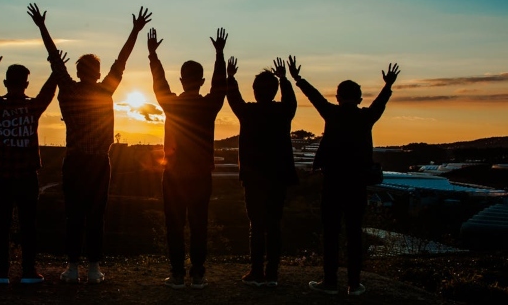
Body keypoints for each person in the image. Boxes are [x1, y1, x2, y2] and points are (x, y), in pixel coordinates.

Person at [28, 3, 152, 284]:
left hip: (74, 161)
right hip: (98, 162)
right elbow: (122, 60)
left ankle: (72, 268)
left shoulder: (68, 90)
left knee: (74, 215)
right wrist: (134, 30)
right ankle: (94, 268)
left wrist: (42, 27)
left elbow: (53, 58)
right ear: (96, 72)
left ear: (78, 70)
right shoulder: (105, 89)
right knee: (96, 216)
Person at [290, 57, 400, 296]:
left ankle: (330, 281)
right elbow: (380, 103)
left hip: (333, 181)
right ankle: (354, 283)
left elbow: (314, 96)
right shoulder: (366, 117)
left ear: (338, 97)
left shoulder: (332, 113)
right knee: (354, 232)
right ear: (359, 98)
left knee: (330, 232)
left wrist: (298, 79)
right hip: (357, 182)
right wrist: (388, 85)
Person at [147, 27, 228, 289]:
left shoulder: (172, 104)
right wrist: (219, 54)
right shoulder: (209, 105)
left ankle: (178, 274)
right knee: (198, 224)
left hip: (173, 174)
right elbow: (220, 86)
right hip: (201, 175)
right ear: (201, 80)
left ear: (181, 80)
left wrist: (153, 56)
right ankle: (198, 275)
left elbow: (159, 84)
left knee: (175, 225)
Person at [0, 45, 59, 285]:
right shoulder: (32, 107)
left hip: (2, 175)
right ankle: (28, 271)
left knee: (2, 224)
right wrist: (55, 70)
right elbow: (48, 93)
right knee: (28, 225)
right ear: (26, 84)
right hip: (27, 176)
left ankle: (2, 272)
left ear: (6, 82)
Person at [226, 57, 298, 287]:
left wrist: (231, 77)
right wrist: (285, 79)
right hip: (278, 176)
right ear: (275, 91)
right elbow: (291, 101)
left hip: (254, 178)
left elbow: (233, 98)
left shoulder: (248, 112)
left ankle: (256, 272)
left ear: (255, 91)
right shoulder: (283, 112)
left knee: (256, 225)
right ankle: (272, 274)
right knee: (274, 224)